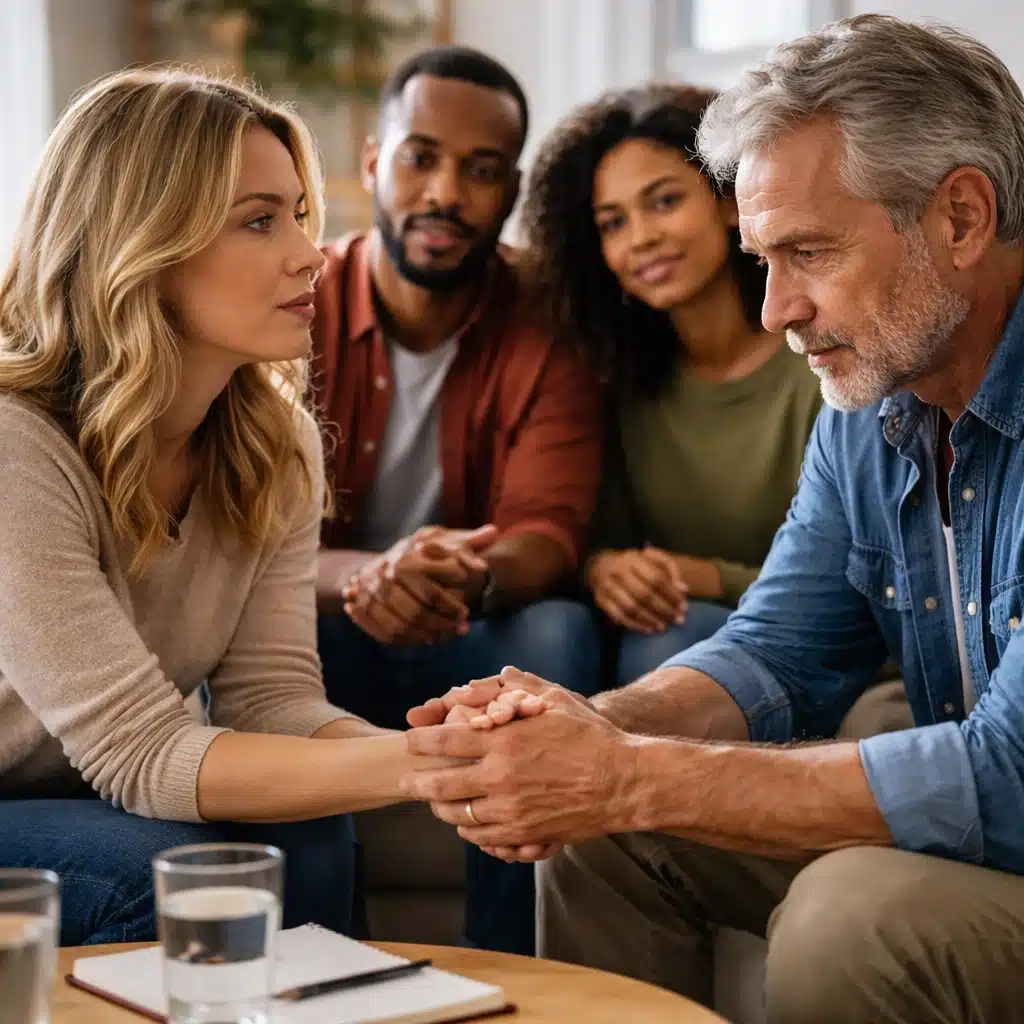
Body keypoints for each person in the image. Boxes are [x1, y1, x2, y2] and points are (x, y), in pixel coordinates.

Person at [401, 15, 1024, 1022]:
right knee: (595, 833)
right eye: (762, 258)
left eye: (808, 252)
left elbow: (1008, 778)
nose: (775, 308)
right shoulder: (874, 404)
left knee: (848, 913)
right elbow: (774, 652)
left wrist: (630, 775)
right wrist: (585, 734)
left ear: (959, 217)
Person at [0, 68, 460, 947]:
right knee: (166, 875)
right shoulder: (14, 441)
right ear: (141, 242)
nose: (309, 252)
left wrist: (460, 748)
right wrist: (427, 767)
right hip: (35, 803)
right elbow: (140, 756)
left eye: (297, 213)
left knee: (313, 831)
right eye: (259, 221)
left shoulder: (274, 445)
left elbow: (272, 701)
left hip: (78, 793)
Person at [311, 46, 602, 955]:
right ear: (372, 162)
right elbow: (227, 538)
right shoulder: (297, 301)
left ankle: (514, 975)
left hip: (466, 636)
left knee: (557, 636)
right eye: (421, 156)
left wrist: (458, 576)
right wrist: (369, 575)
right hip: (315, 630)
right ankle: (322, 973)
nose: (447, 193)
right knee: (238, 657)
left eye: (481, 172)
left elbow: (548, 533)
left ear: (511, 190)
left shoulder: (548, 317)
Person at [521, 84, 821, 685]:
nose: (640, 238)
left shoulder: (818, 363)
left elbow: (852, 584)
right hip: (665, 643)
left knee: (669, 643)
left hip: (803, 647)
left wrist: (709, 578)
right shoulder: (622, 382)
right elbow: (598, 541)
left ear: (729, 201)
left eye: (663, 202)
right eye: (613, 223)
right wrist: (606, 569)